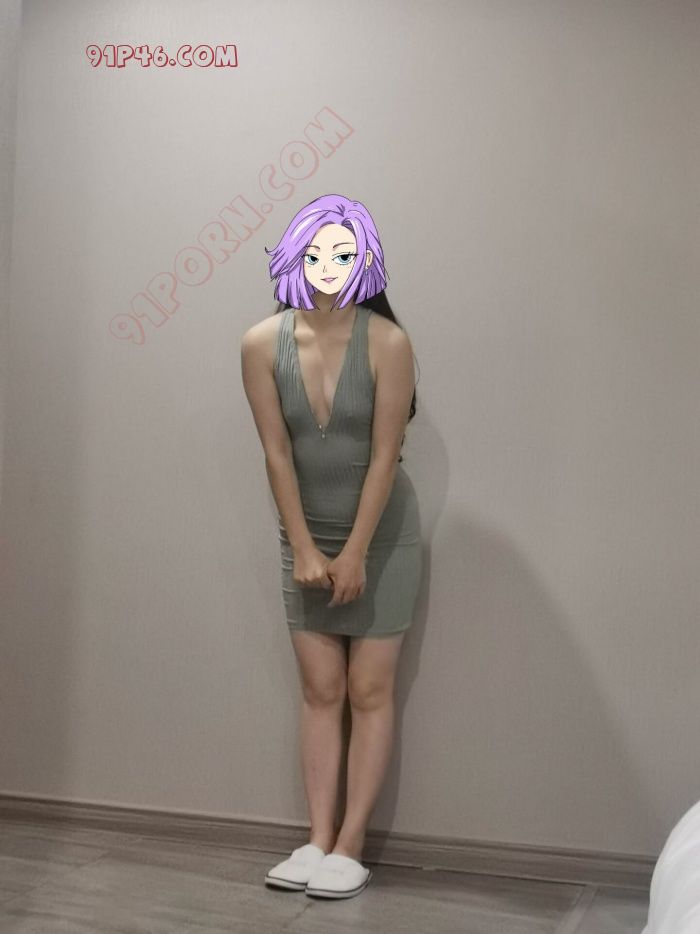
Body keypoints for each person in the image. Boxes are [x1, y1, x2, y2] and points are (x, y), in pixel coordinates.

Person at [241, 194, 422, 899]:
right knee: (320, 691)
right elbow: (276, 454)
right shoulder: (261, 343)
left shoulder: (389, 343)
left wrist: (353, 552)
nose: (327, 267)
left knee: (369, 690)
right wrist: (307, 547)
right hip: (305, 536)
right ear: (293, 256)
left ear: (365, 260)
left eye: (343, 254)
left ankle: (351, 845)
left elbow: (385, 456)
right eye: (315, 253)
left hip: (383, 537)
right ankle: (317, 838)